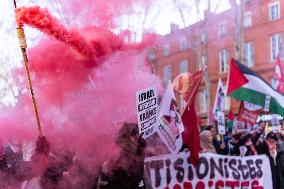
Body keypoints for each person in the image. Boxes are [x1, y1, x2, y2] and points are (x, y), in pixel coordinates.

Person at [96, 123, 152, 189]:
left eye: (138, 132)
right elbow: (102, 185)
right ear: (124, 138)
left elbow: (148, 184)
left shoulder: (139, 156)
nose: (137, 136)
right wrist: (104, 176)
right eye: (133, 133)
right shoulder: (115, 160)